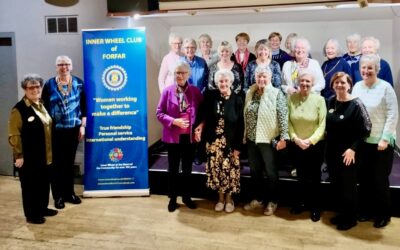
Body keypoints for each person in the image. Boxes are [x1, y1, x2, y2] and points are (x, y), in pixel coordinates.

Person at [352, 54, 398, 228]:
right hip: (362, 142)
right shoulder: (356, 86)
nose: (366, 71)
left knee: (379, 180)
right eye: (363, 67)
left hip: (381, 144)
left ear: (377, 69)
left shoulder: (386, 88)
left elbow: (393, 115)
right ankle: (366, 211)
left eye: (370, 68)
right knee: (363, 179)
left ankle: (382, 215)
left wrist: (385, 138)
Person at [8, 74, 58, 224]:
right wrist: (18, 155)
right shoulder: (19, 109)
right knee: (30, 186)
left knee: (43, 183)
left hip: (45, 155)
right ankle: (32, 214)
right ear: (25, 89)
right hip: (29, 157)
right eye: (31, 87)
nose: (35, 89)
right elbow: (14, 134)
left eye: (37, 86)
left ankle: (42, 208)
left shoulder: (42, 105)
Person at [326, 72, 371, 231]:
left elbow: (366, 129)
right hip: (332, 153)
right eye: (336, 82)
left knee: (348, 187)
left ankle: (350, 218)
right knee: (337, 184)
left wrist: (353, 149)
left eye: (343, 83)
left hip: (349, 153)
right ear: (332, 85)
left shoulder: (356, 104)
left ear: (349, 85)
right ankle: (341, 214)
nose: (339, 85)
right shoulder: (331, 102)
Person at [156, 61, 203, 212]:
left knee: (188, 169)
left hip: (189, 138)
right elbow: (159, 113)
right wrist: (174, 121)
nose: (180, 75)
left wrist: (200, 127)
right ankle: (173, 198)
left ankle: (187, 196)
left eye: (183, 73)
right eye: (177, 73)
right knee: (173, 169)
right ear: (173, 75)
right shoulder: (167, 91)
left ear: (188, 74)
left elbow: (203, 113)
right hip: (173, 137)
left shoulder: (195, 91)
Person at [243, 66, 289, 216]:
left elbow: (283, 115)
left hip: (268, 139)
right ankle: (258, 198)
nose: (261, 79)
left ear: (270, 78)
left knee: (271, 172)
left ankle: (273, 201)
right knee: (255, 171)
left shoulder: (277, 93)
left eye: (264, 77)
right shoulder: (250, 92)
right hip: (251, 139)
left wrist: (284, 137)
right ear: (255, 77)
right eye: (259, 76)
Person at [42, 55, 86, 210]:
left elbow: (84, 106)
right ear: (56, 67)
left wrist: (82, 126)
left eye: (67, 64)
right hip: (56, 131)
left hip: (73, 129)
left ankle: (70, 193)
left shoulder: (79, 83)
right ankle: (58, 196)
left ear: (71, 66)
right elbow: (44, 108)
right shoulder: (49, 85)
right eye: (60, 64)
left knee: (69, 163)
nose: (64, 67)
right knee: (57, 165)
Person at [197, 69, 244, 213]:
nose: (223, 84)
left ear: (231, 82)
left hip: (230, 143)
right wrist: (199, 127)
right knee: (216, 170)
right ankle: (220, 198)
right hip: (214, 142)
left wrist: (237, 147)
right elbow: (203, 116)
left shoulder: (238, 99)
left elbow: (241, 124)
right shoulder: (211, 96)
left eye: (225, 81)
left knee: (230, 171)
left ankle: (229, 199)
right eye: (220, 81)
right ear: (217, 83)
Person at [288, 71, 326, 222]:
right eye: (302, 81)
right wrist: (295, 139)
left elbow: (322, 123)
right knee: (301, 176)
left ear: (312, 84)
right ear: (298, 82)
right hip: (297, 144)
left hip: (315, 145)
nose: (304, 84)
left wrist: (310, 141)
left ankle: (315, 207)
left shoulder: (320, 100)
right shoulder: (291, 98)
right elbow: (288, 121)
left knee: (315, 177)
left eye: (308, 82)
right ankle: (301, 203)